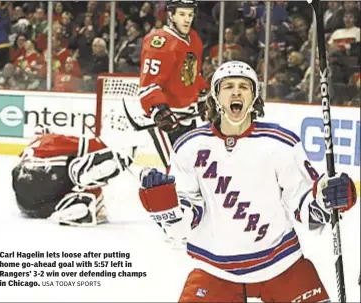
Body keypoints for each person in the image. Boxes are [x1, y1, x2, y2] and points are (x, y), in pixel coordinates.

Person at [138, 61, 357, 302]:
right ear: (215, 96)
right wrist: (165, 207)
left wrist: (329, 199)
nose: (236, 92)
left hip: (282, 265)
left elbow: (306, 205)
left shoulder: (280, 143)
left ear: (254, 97)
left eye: (244, 86)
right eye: (228, 86)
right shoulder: (188, 147)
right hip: (215, 270)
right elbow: (182, 224)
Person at [12, 126, 133, 226]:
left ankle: (69, 206)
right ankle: (79, 174)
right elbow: (92, 146)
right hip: (49, 174)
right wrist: (116, 153)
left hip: (25, 200)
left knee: (44, 204)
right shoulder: (52, 138)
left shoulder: (26, 150)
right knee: (76, 164)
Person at [138, 0, 209, 171]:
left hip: (187, 118)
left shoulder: (194, 39)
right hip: (165, 121)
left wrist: (203, 98)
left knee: (192, 172)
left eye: (190, 15)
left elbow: (193, 75)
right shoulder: (160, 42)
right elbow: (148, 86)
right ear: (171, 15)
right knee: (173, 172)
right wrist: (160, 110)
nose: (187, 19)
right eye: (182, 14)